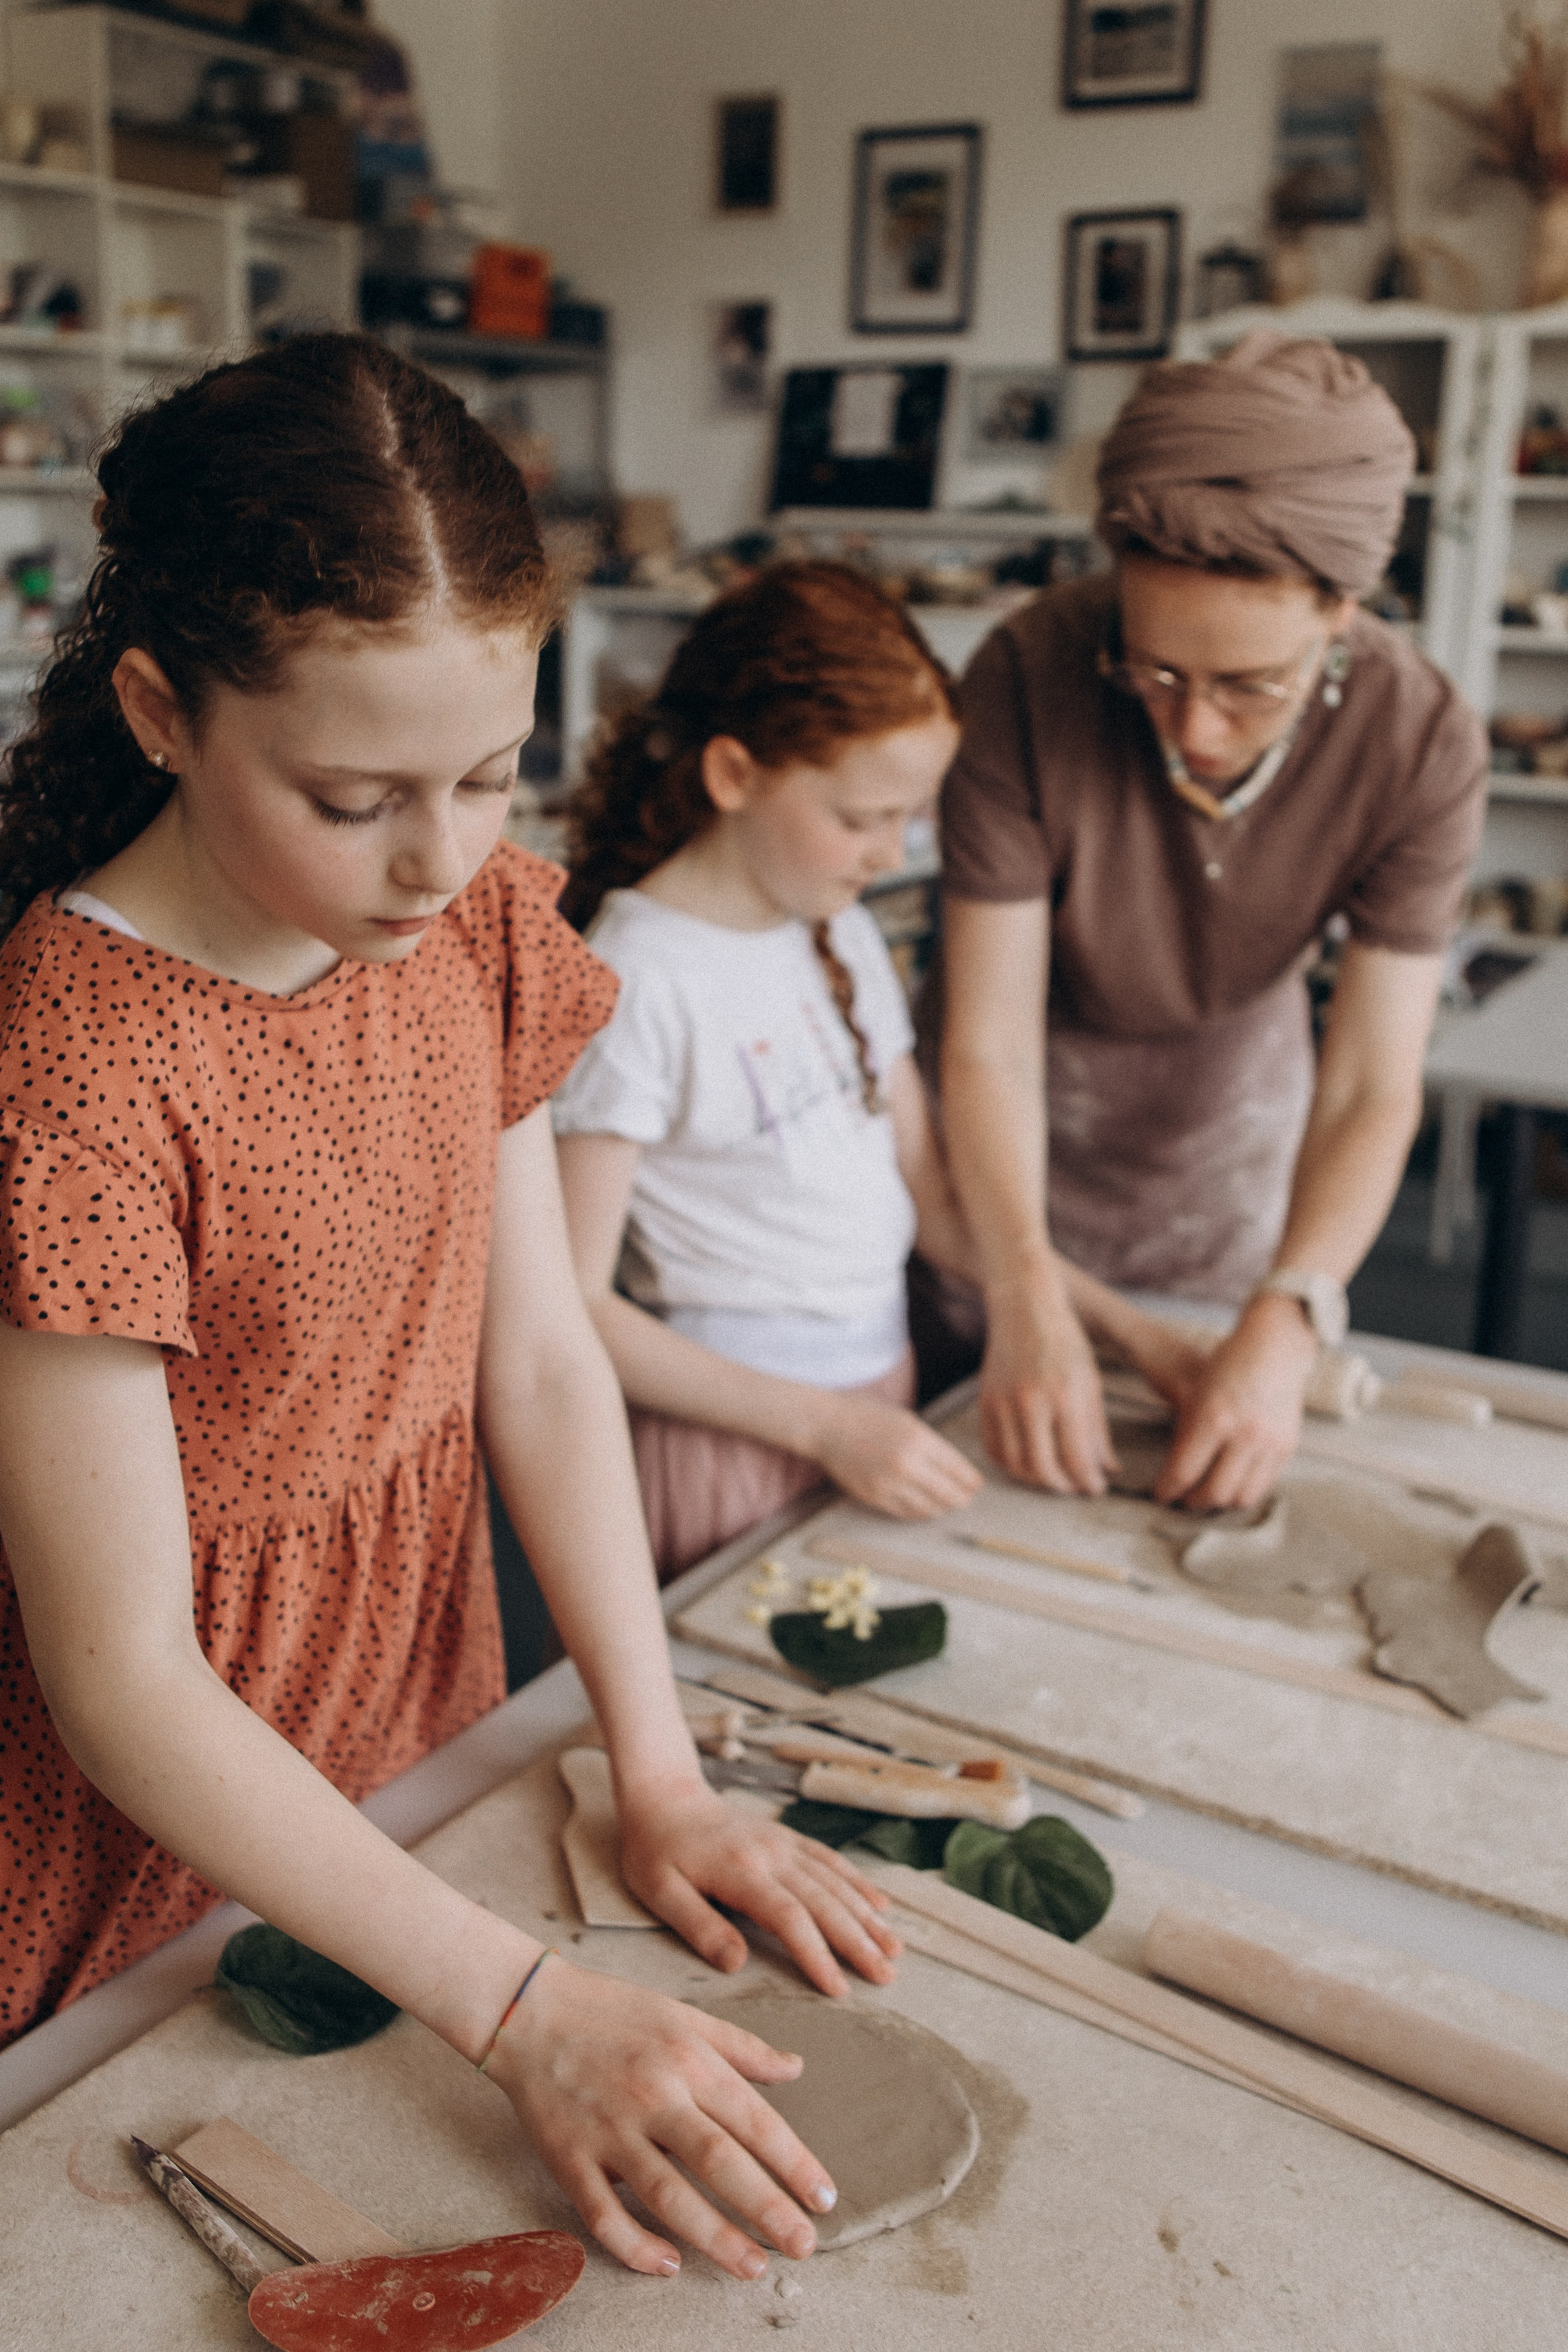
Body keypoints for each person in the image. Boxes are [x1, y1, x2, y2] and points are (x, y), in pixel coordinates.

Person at [0, 336, 901, 2285]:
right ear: (160, 709)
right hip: (162, 1797)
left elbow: (546, 1358)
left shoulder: (470, 927)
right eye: (352, 795)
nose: (437, 858)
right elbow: (126, 1678)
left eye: (490, 774)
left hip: (414, 1697)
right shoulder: (75, 1061)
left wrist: (651, 1769)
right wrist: (525, 2018)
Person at [924, 331, 1488, 1514]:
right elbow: (989, 1043)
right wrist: (1023, 1287)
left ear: (1344, 613)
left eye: (1250, 687)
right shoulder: (1028, 675)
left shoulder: (1421, 737)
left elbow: (1370, 1083)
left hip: (1234, 1136)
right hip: (1018, 1147)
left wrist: (1293, 1311)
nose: (1197, 734)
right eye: (1159, 673)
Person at [551, 564, 985, 1583]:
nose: (893, 851)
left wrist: (1092, 1326)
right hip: (734, 1438)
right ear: (735, 774)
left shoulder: (839, 926)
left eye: (911, 817)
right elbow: (569, 1311)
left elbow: (933, 1194)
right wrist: (827, 1428)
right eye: (862, 816)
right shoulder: (636, 978)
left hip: (879, 1393)